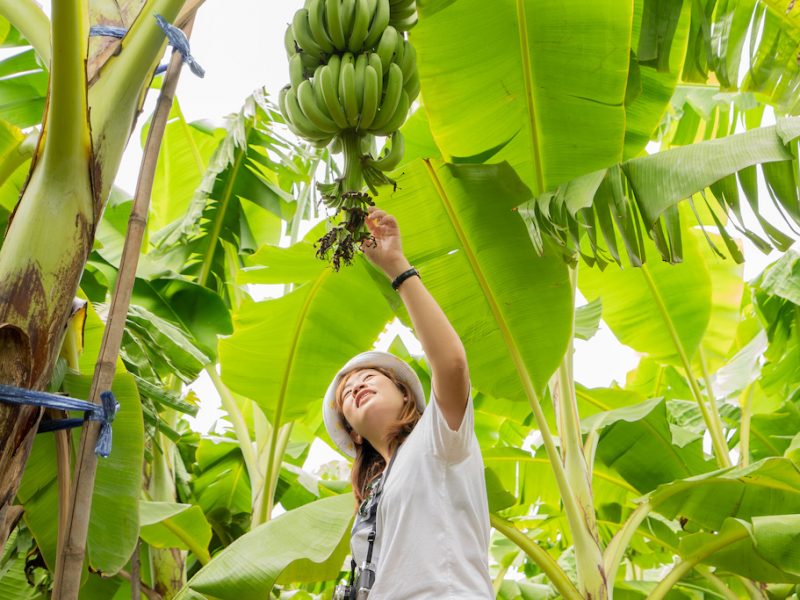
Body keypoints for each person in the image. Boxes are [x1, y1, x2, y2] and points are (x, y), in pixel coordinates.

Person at [322, 206, 495, 599]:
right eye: (345, 393)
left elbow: (451, 363)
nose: (355, 387)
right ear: (355, 435)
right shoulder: (375, 497)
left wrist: (396, 267)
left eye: (369, 377)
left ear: (405, 393)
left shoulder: (438, 438)